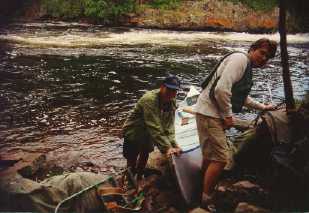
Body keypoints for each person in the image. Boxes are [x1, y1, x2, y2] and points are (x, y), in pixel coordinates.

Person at [195, 38, 277, 208]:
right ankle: (206, 199)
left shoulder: (245, 64)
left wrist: (262, 106)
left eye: (267, 57)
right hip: (210, 113)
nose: (264, 58)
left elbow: (240, 96)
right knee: (221, 159)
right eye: (262, 53)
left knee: (210, 155)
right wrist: (228, 116)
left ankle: (199, 187)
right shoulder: (240, 60)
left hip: (208, 111)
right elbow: (221, 90)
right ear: (252, 49)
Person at [122, 75, 182, 180]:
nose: (171, 93)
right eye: (169, 89)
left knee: (145, 153)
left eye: (174, 91)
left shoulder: (172, 101)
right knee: (132, 158)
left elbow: (169, 125)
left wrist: (174, 144)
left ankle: (140, 176)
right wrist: (167, 148)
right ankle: (129, 179)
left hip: (148, 132)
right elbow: (155, 125)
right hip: (134, 130)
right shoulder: (149, 99)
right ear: (162, 87)